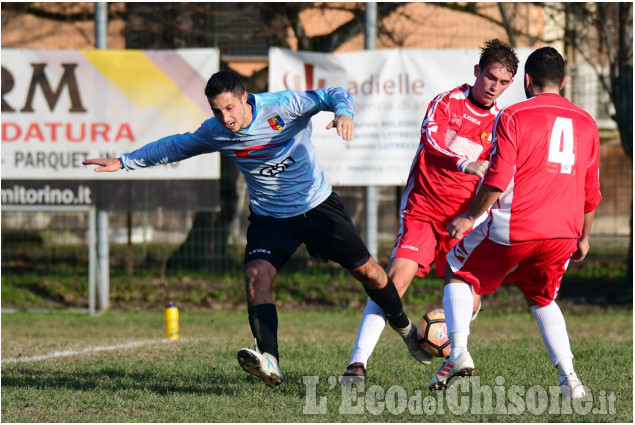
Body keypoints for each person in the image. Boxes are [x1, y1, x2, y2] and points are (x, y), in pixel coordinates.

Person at [83, 70, 427, 388]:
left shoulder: (284, 106)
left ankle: (406, 329)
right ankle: (270, 360)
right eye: (217, 112)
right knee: (255, 276)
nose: (226, 119)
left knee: (370, 274)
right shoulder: (217, 131)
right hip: (270, 219)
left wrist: (344, 113)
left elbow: (333, 93)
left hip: (318, 207)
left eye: (230, 108)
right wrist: (125, 161)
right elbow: (175, 145)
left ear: (245, 97)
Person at [427, 47, 602, 399]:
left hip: (517, 228)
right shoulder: (587, 122)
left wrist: (470, 216)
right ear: (563, 82)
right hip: (564, 233)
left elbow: (497, 177)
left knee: (457, 270)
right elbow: (591, 190)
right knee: (542, 297)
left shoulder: (512, 115)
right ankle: (570, 380)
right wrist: (584, 237)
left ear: (526, 80)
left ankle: (458, 352)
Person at [342, 39, 519, 382]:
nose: (494, 87)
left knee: (471, 295)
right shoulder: (447, 102)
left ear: (510, 85)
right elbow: (431, 140)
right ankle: (357, 363)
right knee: (395, 282)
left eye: (502, 83)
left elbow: (503, 173)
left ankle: (455, 353)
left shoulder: (502, 122)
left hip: (464, 219)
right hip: (423, 210)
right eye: (490, 78)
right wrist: (464, 162)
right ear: (477, 72)